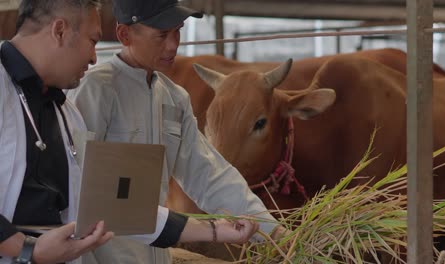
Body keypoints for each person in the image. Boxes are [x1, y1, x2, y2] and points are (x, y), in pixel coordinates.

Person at [0, 0, 259, 263]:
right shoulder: (90, 91)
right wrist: (25, 248)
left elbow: (115, 202)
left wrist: (217, 230)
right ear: (59, 31)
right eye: (92, 40)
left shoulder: (65, 112)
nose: (93, 57)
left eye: (177, 31)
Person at [67, 0, 287, 263]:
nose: (173, 45)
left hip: (158, 253)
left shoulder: (174, 98)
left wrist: (273, 231)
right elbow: (79, 188)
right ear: (125, 34)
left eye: (177, 31)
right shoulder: (96, 90)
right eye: (161, 35)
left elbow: (210, 174)